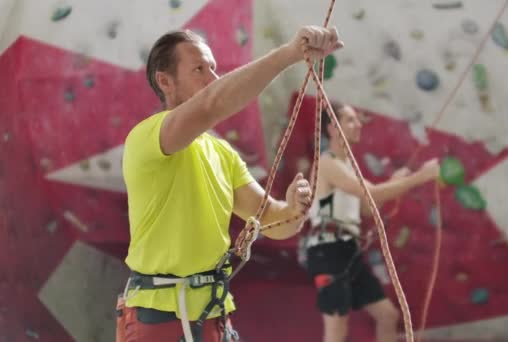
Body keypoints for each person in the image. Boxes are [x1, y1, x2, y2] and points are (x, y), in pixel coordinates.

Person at [117, 26, 344, 342]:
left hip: (214, 314)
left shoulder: (222, 154)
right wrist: (291, 53)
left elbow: (273, 222)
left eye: (213, 67)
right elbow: (213, 103)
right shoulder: (146, 138)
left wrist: (294, 209)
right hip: (159, 317)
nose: (212, 77)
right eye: (199, 68)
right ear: (165, 81)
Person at [305, 101, 440, 342]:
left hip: (347, 249)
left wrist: (395, 183)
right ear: (332, 129)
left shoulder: (349, 168)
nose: (358, 125)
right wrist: (420, 177)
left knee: (387, 315)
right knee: (337, 329)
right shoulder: (327, 163)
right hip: (328, 251)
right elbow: (373, 194)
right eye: (350, 120)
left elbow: (369, 207)